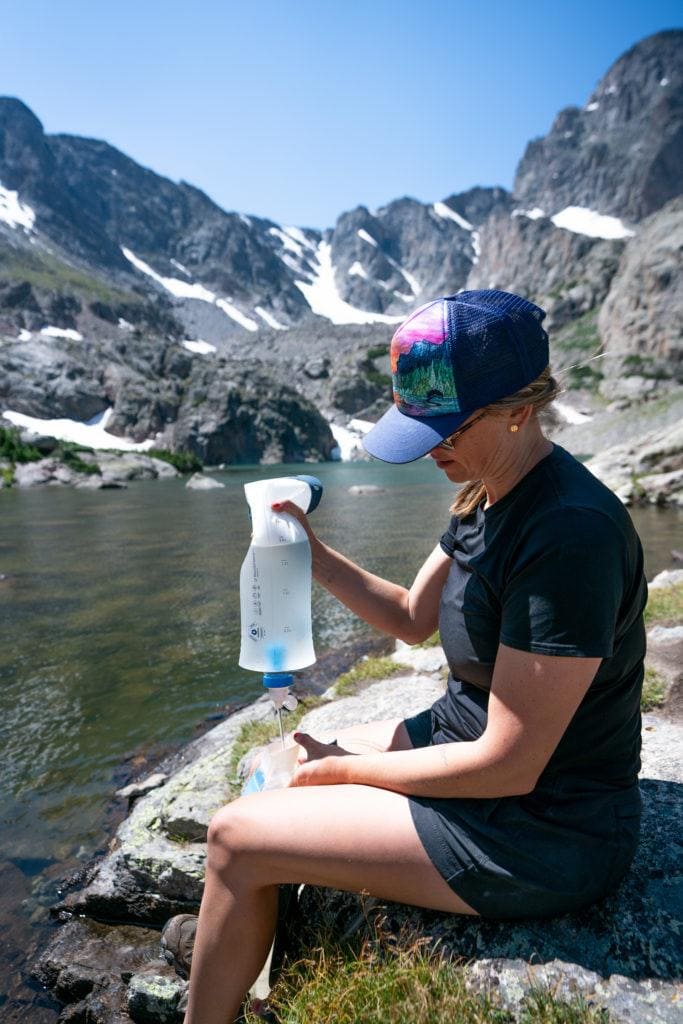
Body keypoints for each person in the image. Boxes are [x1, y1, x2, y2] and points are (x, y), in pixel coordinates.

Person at [176, 290, 646, 1024]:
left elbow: (510, 763)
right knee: (272, 761)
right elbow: (408, 619)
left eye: (444, 428)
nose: (430, 448)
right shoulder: (483, 491)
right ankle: (250, 959)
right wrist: (307, 552)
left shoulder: (567, 535)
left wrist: (342, 770)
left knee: (234, 836)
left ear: (519, 409)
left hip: (542, 824)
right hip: (467, 745)